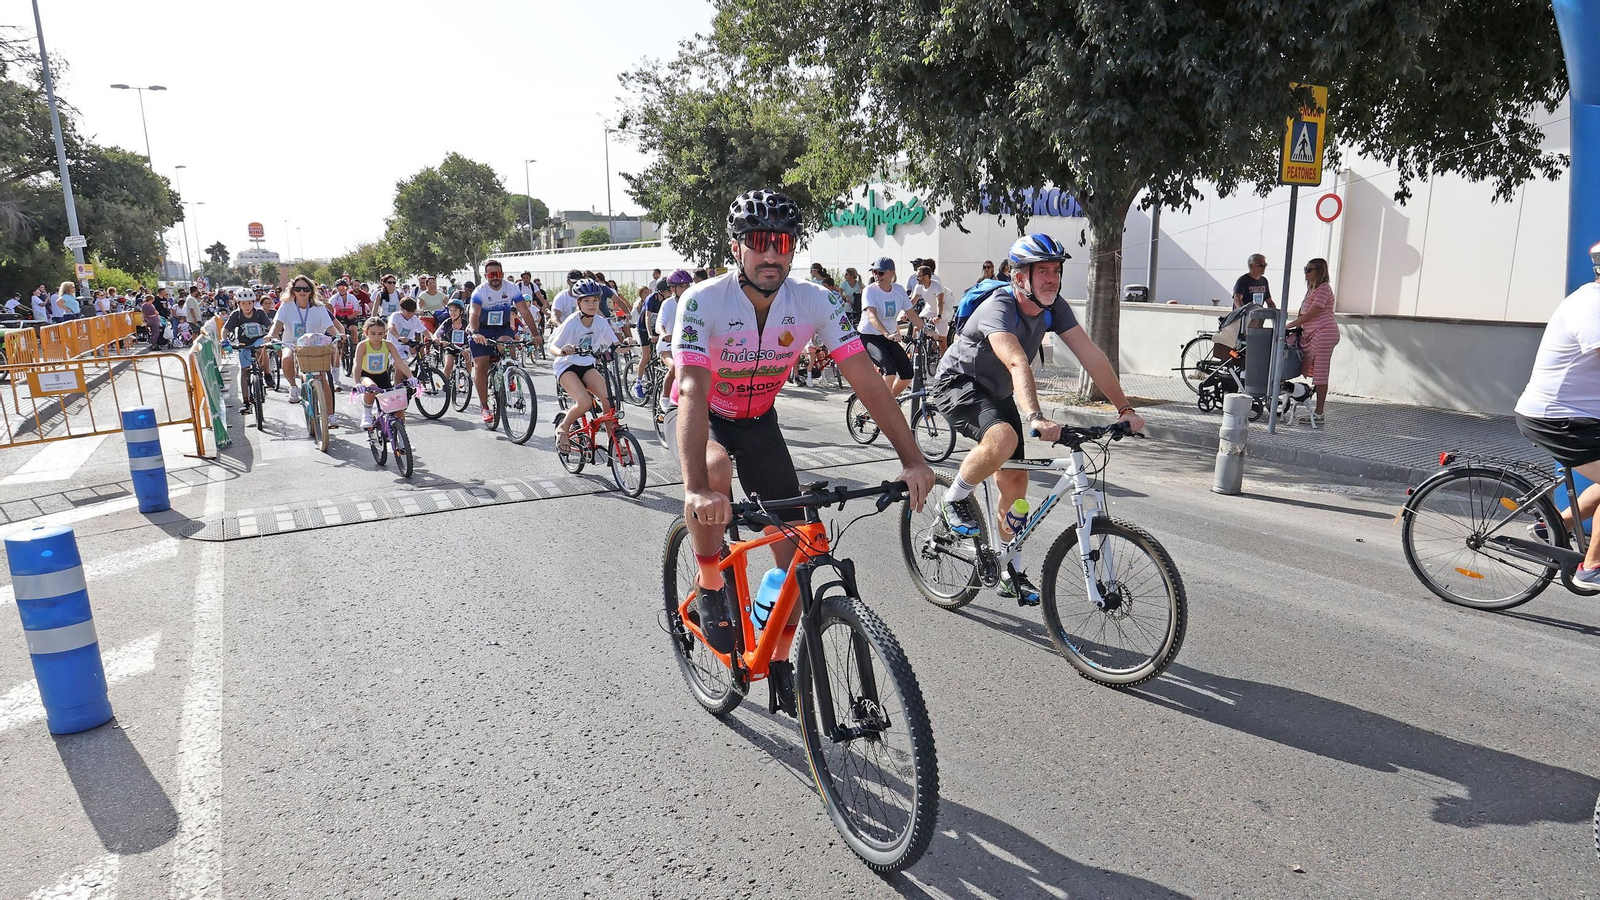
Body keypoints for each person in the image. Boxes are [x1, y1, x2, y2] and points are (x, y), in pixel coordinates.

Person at [672, 189, 934, 654]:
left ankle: (775, 656)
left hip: (759, 420)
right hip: (706, 416)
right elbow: (692, 388)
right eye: (759, 241)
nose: (771, 253)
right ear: (736, 247)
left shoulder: (816, 301)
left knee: (794, 562)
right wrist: (695, 489)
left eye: (783, 243)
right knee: (714, 474)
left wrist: (912, 458)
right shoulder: (702, 300)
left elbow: (869, 383)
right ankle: (710, 580)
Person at [929, 233, 1145, 606]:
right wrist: (1036, 416)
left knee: (1015, 481)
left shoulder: (1053, 307)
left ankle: (1009, 568)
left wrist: (1124, 409)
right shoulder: (1000, 306)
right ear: (1019, 277)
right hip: (959, 383)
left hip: (995, 392)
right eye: (1041, 270)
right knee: (1003, 440)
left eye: (1056, 270)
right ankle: (953, 499)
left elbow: (1091, 355)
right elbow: (1015, 360)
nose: (1051, 278)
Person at [1515, 241, 1600, 585]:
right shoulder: (1592, 305)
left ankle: (1556, 525)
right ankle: (1591, 569)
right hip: (1556, 418)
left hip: (1577, 415)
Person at [551, 281, 618, 451]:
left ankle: (613, 441)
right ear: (578, 303)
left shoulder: (601, 322)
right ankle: (563, 428)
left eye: (595, 300)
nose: (592, 305)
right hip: (567, 366)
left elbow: (616, 344)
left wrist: (628, 343)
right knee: (585, 402)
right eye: (586, 301)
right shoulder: (572, 322)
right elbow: (552, 347)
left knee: (609, 399)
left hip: (586, 366)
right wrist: (563, 351)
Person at [468, 260, 537, 424]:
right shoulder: (480, 291)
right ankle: (484, 406)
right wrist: (475, 332)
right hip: (482, 329)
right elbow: (473, 313)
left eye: (498, 274)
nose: (495, 278)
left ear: (502, 274)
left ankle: (510, 373)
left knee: (507, 343)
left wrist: (536, 334)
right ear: (486, 276)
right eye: (491, 275)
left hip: (502, 328)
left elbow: (525, 311)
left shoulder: (511, 287)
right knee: (481, 364)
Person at [267, 276, 343, 415]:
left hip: (314, 347)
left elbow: (330, 326)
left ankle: (331, 416)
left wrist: (338, 335)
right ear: (293, 291)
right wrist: (271, 335)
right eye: (298, 288)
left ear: (311, 291)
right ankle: (293, 387)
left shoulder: (319, 307)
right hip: (291, 343)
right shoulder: (286, 305)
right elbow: (277, 324)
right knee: (286, 359)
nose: (302, 291)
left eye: (305, 289)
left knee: (322, 378)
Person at [1286, 257, 1339, 426]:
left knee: (1320, 373)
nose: (1306, 273)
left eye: (1309, 270)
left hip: (1324, 333)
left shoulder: (1324, 289)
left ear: (1319, 271)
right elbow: (1303, 313)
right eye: (1305, 269)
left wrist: (1288, 326)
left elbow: (1312, 313)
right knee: (1305, 364)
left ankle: (1319, 413)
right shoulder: (1311, 289)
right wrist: (1294, 327)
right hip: (1311, 333)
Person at [859, 257, 921, 396]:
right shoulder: (870, 291)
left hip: (889, 338)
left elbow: (912, 314)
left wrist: (928, 331)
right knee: (889, 369)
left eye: (880, 273)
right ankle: (883, 409)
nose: (876, 276)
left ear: (891, 273)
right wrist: (887, 334)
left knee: (907, 374)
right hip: (870, 337)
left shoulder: (898, 290)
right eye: (874, 272)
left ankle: (889, 402)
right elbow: (872, 316)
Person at [353, 316, 420, 429]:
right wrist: (357, 382)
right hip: (366, 376)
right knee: (372, 387)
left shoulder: (388, 345)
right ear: (366, 332)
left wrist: (410, 377)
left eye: (380, 334)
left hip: (383, 377)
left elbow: (400, 362)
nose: (376, 337)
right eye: (373, 333)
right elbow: (357, 365)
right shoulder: (363, 345)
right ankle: (367, 413)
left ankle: (402, 440)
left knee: (398, 408)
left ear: (384, 333)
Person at [221, 291, 273, 414]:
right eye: (243, 303)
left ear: (253, 303)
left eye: (249, 303)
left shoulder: (259, 313)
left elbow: (270, 327)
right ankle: (246, 402)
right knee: (245, 371)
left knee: (261, 349)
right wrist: (224, 341)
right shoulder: (236, 315)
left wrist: (271, 337)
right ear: (238, 304)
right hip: (244, 344)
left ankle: (267, 374)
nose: (247, 306)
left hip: (259, 340)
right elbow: (226, 329)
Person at [910, 264, 950, 355]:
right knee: (916, 329)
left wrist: (939, 316)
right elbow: (913, 301)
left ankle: (945, 364)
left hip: (940, 312)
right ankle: (915, 355)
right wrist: (905, 312)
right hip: (928, 311)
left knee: (942, 341)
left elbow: (940, 303)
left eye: (919, 276)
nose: (917, 279)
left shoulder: (937, 286)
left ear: (926, 277)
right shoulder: (919, 286)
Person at [387, 298, 429, 362]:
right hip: (395, 346)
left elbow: (425, 331)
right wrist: (399, 337)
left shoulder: (414, 319)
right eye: (409, 312)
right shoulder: (396, 316)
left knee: (420, 348)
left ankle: (423, 367)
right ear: (401, 309)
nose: (411, 314)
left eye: (413, 312)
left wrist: (434, 339)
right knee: (400, 369)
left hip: (408, 345)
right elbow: (390, 327)